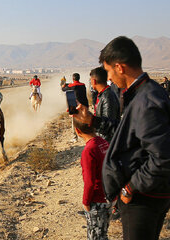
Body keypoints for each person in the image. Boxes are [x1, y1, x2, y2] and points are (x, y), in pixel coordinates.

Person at [74, 36, 170, 240]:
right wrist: (93, 120)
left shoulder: (147, 99)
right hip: (142, 196)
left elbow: (163, 158)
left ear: (119, 67)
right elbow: (126, 135)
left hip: (143, 200)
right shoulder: (140, 94)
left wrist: (130, 187)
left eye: (108, 71)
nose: (108, 77)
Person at [73, 117, 112, 240]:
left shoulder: (89, 150)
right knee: (103, 233)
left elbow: (89, 182)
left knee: (95, 236)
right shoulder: (104, 142)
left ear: (77, 131)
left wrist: (85, 202)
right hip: (109, 197)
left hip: (97, 200)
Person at [90, 67, 120, 142]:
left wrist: (90, 119)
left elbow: (109, 125)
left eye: (90, 80)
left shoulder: (107, 96)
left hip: (108, 142)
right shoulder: (102, 94)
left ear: (93, 81)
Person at [62, 73, 89, 142]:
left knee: (74, 122)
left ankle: (75, 137)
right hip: (85, 105)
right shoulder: (83, 85)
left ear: (73, 79)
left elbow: (64, 89)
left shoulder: (73, 85)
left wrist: (64, 84)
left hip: (76, 106)